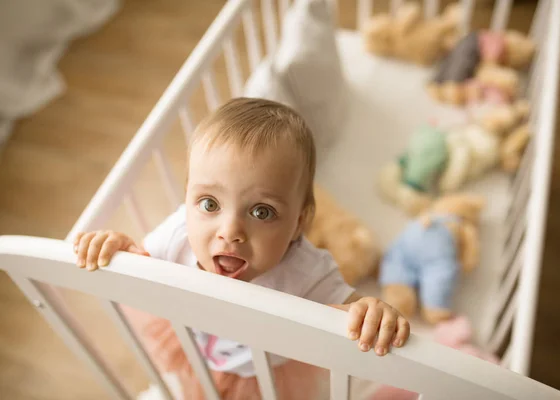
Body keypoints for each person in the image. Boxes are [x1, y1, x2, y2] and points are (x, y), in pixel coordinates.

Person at [73, 97, 410, 399]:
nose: (231, 232)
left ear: (298, 224)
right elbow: (139, 262)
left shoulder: (308, 271)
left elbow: (353, 311)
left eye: (262, 211)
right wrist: (117, 246)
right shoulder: (179, 232)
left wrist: (373, 310)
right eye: (208, 204)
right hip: (198, 350)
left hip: (265, 378)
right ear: (187, 198)